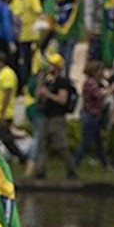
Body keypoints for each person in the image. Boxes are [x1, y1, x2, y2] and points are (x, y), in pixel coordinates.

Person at [33, 52, 79, 180]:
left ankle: (71, 169)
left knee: (60, 145)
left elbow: (62, 100)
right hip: (46, 115)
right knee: (42, 144)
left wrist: (48, 94)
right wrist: (40, 82)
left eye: (51, 65)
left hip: (57, 117)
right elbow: (38, 95)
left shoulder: (62, 83)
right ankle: (40, 172)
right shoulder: (48, 81)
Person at [73, 61, 108, 169]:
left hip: (95, 115)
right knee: (86, 142)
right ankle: (74, 163)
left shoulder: (96, 82)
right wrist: (110, 90)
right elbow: (98, 95)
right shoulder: (90, 83)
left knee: (99, 142)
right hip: (90, 115)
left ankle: (105, 164)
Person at [0, 53, 22, 163]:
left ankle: (23, 159)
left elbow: (7, 95)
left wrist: (2, 114)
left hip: (3, 114)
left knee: (7, 141)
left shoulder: (7, 74)